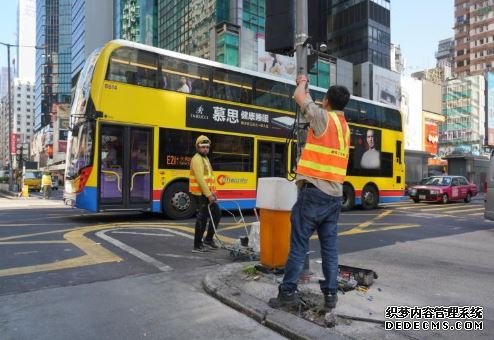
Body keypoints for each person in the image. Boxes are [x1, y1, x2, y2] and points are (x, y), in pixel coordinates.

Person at [269, 75, 351, 311]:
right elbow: (312, 108)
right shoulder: (344, 127)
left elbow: (299, 97)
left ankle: (287, 294)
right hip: (334, 197)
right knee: (330, 249)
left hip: (314, 194)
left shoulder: (322, 117)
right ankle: (331, 296)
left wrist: (303, 80)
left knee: (298, 246)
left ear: (326, 101)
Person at [189, 135, 221, 253]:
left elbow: (210, 177)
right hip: (200, 194)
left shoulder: (205, 158)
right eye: (203, 147)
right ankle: (197, 245)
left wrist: (213, 193)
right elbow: (200, 179)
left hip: (207, 193)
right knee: (202, 218)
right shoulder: (197, 159)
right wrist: (209, 195)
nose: (205, 149)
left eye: (207, 147)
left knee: (217, 214)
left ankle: (208, 240)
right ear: (197, 147)